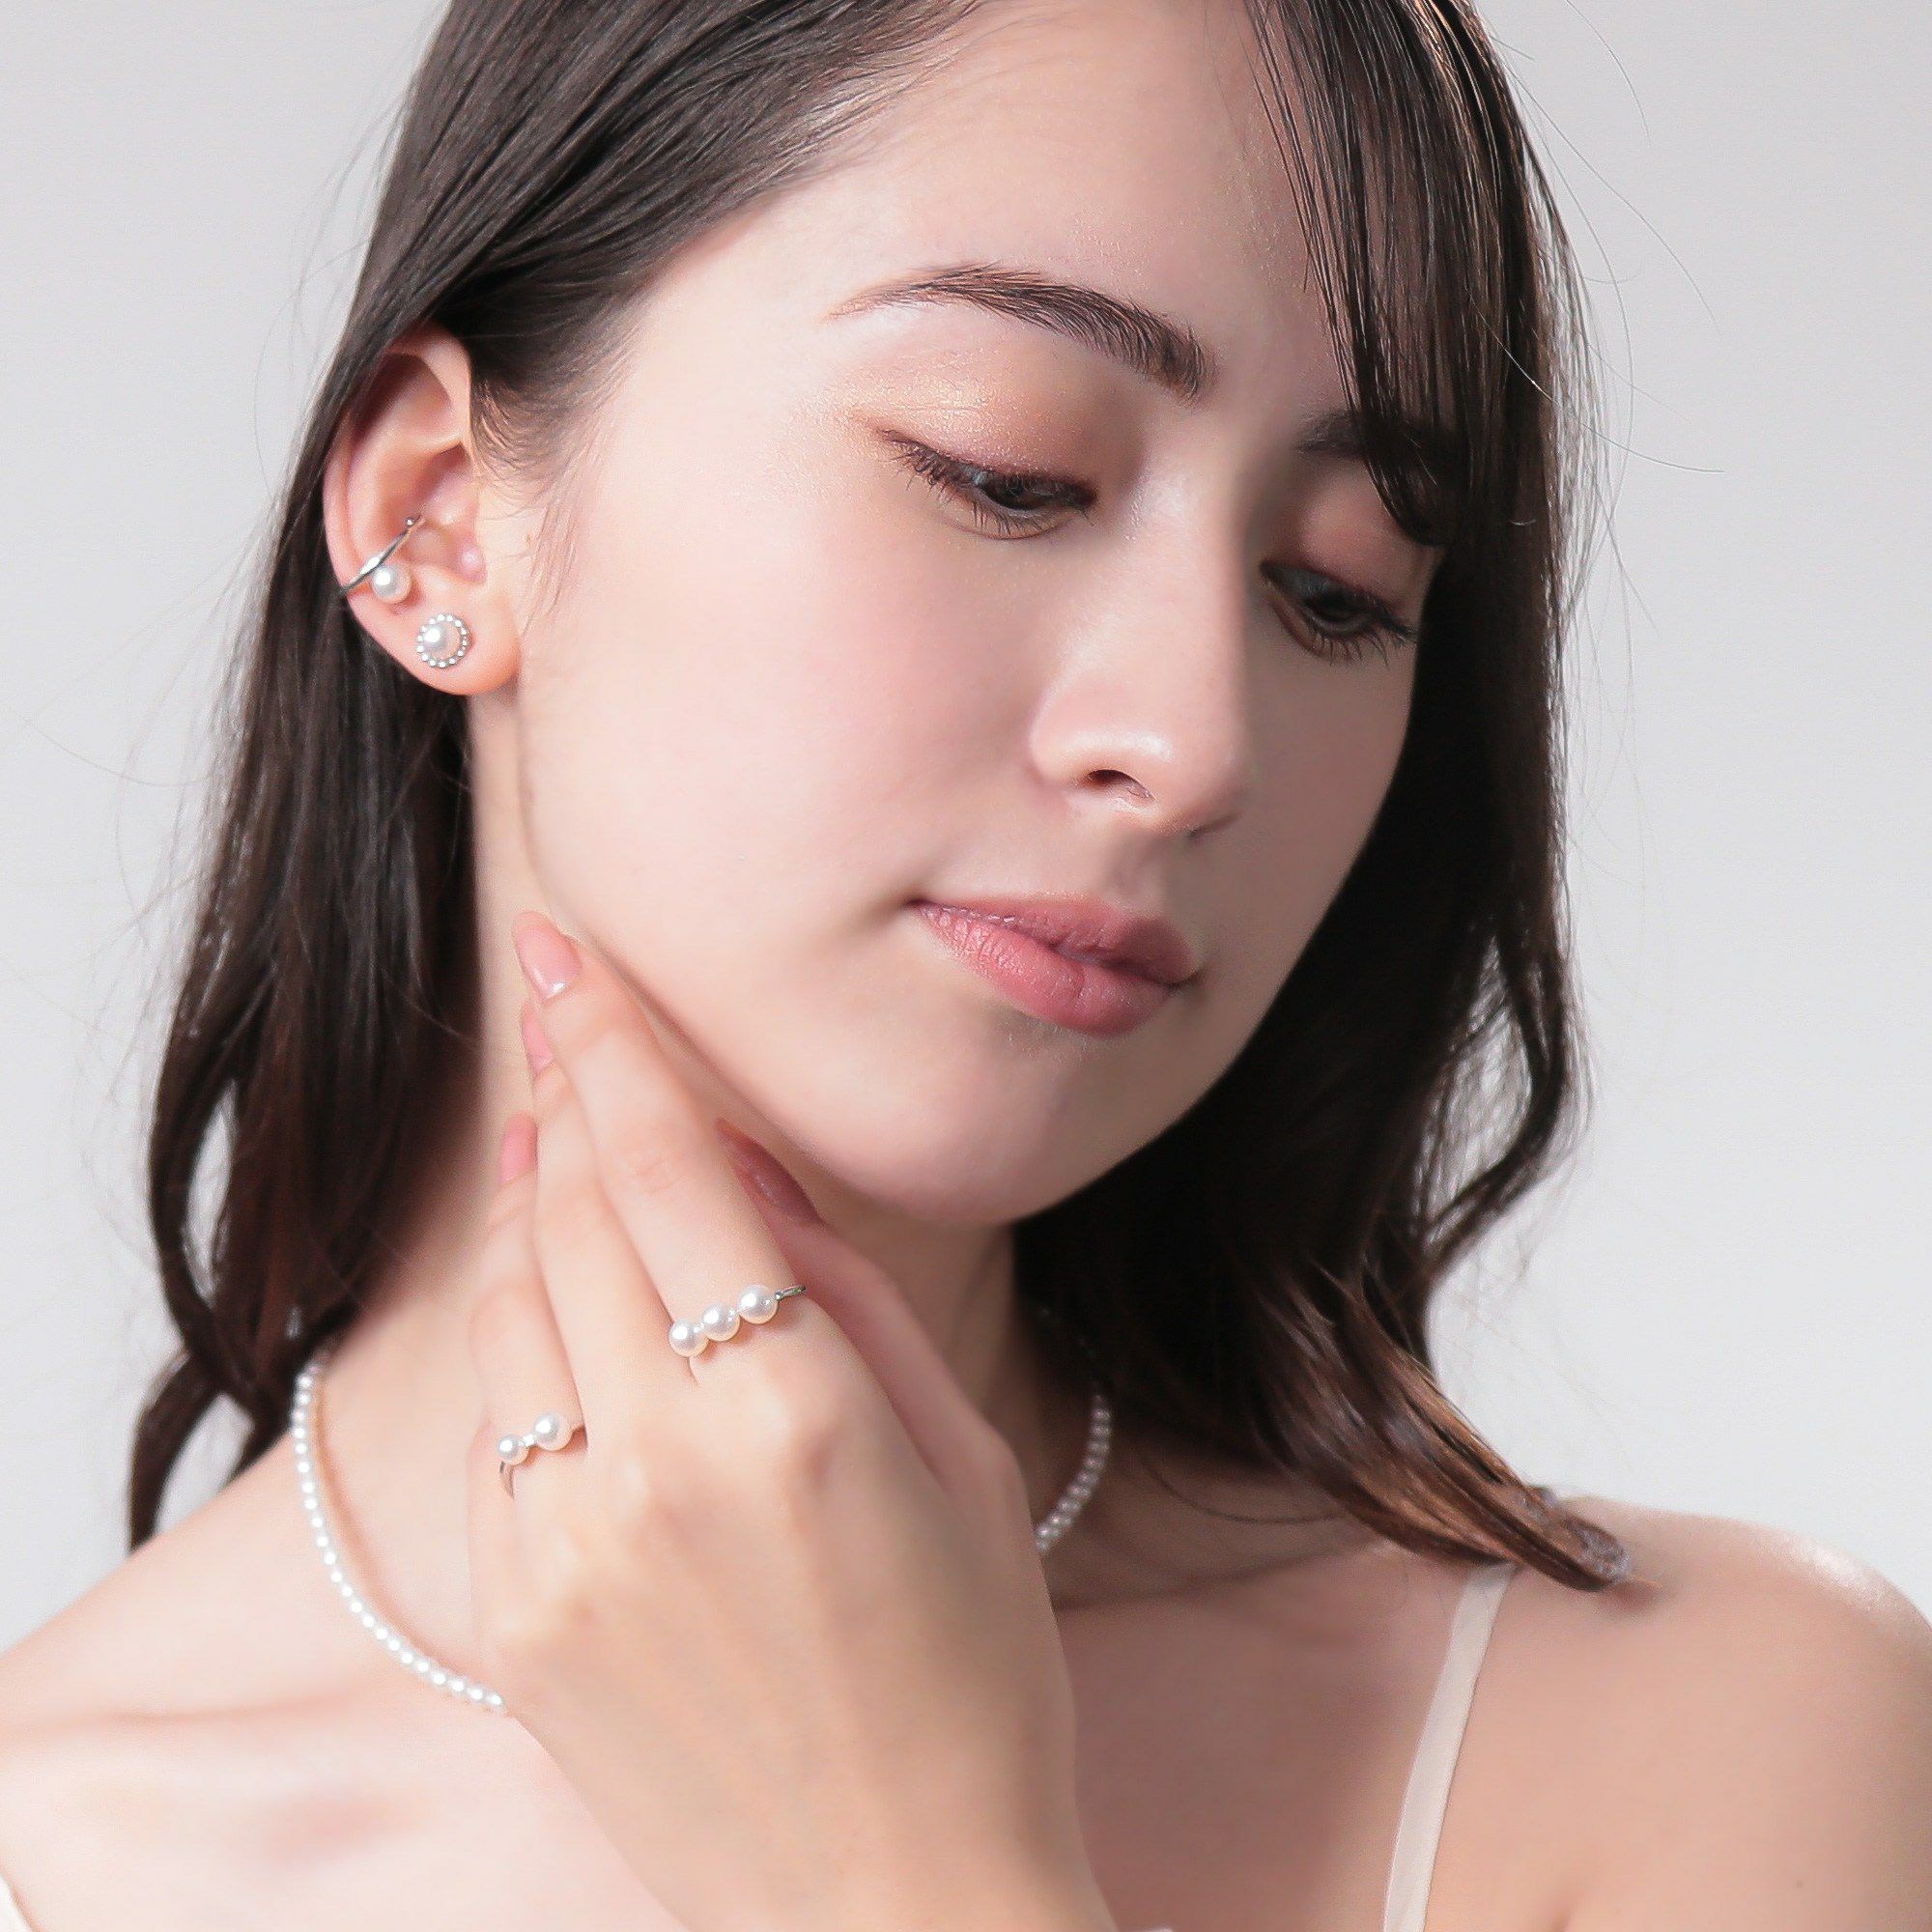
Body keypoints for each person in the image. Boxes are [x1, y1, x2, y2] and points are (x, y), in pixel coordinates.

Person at [2, 0, 1928, 1924]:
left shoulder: (1709, 1744)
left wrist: (907, 1868)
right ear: (436, 511)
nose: (1195, 741)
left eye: (1335, 590)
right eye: (1010, 474)